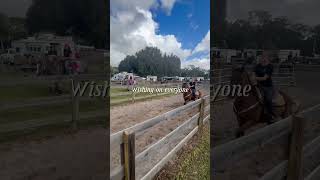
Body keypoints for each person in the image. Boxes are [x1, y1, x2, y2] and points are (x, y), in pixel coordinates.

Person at [254, 53, 274, 123]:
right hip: (259, 86)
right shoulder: (257, 66)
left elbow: (265, 78)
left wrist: (255, 78)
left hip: (268, 87)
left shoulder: (270, 67)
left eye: (264, 58)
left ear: (267, 59)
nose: (262, 59)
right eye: (262, 57)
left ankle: (271, 115)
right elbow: (253, 73)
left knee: (268, 99)